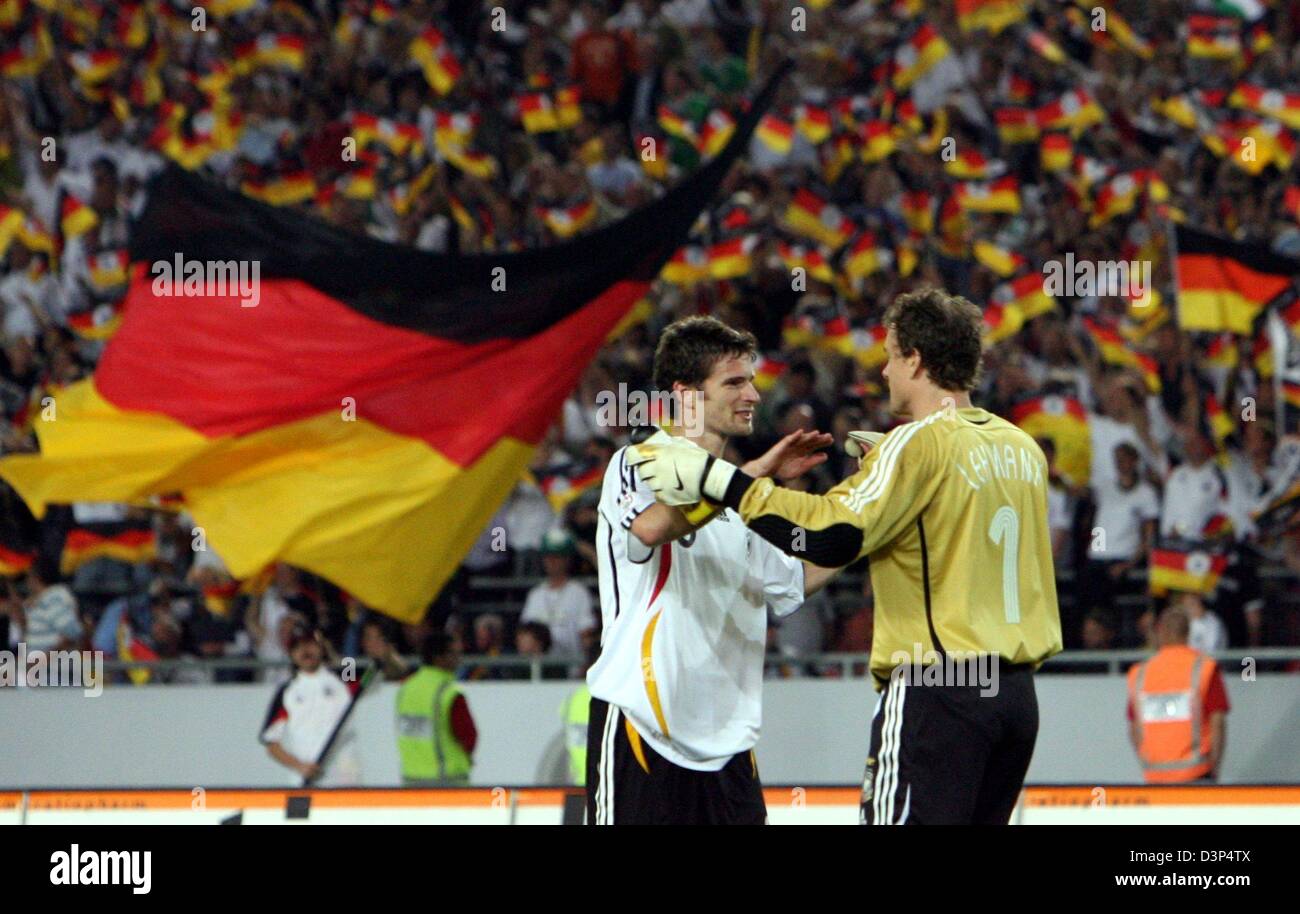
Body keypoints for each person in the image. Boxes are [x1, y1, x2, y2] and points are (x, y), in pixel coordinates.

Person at [629, 288, 1064, 824]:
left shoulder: (917, 443)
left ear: (915, 360)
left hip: (938, 689)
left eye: (889, 355)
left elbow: (830, 536)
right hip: (1016, 699)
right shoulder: (1021, 447)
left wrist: (719, 481)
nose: (883, 371)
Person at [586, 315, 837, 825]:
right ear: (686, 394)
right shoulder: (639, 460)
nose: (753, 395)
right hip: (645, 730)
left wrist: (871, 517)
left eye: (751, 380)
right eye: (735, 382)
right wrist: (754, 475)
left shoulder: (742, 495)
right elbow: (652, 529)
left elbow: (793, 581)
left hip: (728, 750)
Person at [1126, 607, 1230, 783]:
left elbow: (1134, 728)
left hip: (1155, 775)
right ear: (1188, 632)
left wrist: (1148, 761)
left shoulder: (1140, 673)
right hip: (1197, 773)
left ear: (1160, 632)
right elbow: (1217, 723)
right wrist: (1215, 768)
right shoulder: (1205, 668)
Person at [259, 624, 363, 786]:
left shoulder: (343, 679)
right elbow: (271, 742)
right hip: (306, 780)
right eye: (298, 647)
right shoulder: (287, 692)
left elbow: (350, 663)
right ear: (291, 654)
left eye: (310, 644)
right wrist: (299, 766)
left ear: (321, 648)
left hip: (346, 777)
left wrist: (329, 649)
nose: (305, 651)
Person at [396, 631, 477, 786]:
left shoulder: (405, 689)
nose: (458, 659)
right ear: (439, 658)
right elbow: (468, 736)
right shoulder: (449, 693)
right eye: (453, 654)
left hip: (410, 779)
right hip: (447, 780)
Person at [519, 529, 597, 659]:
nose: (551, 561)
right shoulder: (535, 594)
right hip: (539, 668)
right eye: (548, 556)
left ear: (567, 559)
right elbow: (525, 633)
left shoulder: (579, 593)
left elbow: (586, 634)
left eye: (557, 556)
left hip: (570, 668)